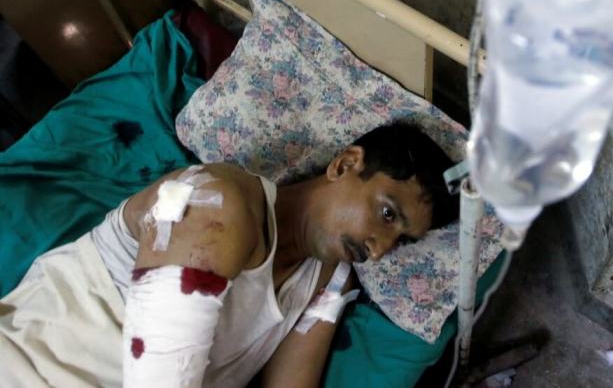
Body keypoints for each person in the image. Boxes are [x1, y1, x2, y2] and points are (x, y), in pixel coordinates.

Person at [0, 122, 458, 388]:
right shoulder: (218, 203)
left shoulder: (328, 278)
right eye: (386, 213)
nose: (380, 250)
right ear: (344, 164)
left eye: (401, 239)